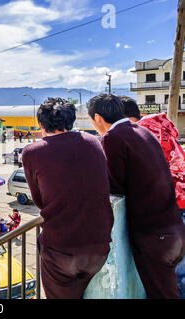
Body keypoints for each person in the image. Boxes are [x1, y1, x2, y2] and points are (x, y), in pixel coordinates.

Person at [88, 94, 185, 299]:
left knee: (162, 294)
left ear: (97, 117)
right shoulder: (143, 130)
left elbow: (114, 185)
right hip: (173, 228)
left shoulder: (112, 138)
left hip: (154, 236)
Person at [22, 97, 114, 299]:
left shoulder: (32, 152)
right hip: (99, 248)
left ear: (41, 124)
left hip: (63, 252)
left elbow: (39, 199)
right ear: (71, 121)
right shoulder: (92, 141)